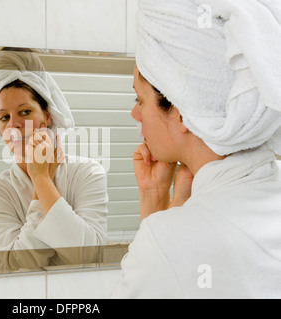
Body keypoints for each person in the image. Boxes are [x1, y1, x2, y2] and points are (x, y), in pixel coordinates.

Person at [112, 0, 281, 298]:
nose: (135, 115)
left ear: (181, 111)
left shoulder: (169, 241)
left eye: (140, 100)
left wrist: (157, 215)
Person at [0, 49, 108, 271]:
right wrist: (41, 180)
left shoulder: (87, 172)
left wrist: (41, 178)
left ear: (47, 116)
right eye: (4, 117)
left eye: (25, 112)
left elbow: (88, 256)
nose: (14, 125)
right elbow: (20, 265)